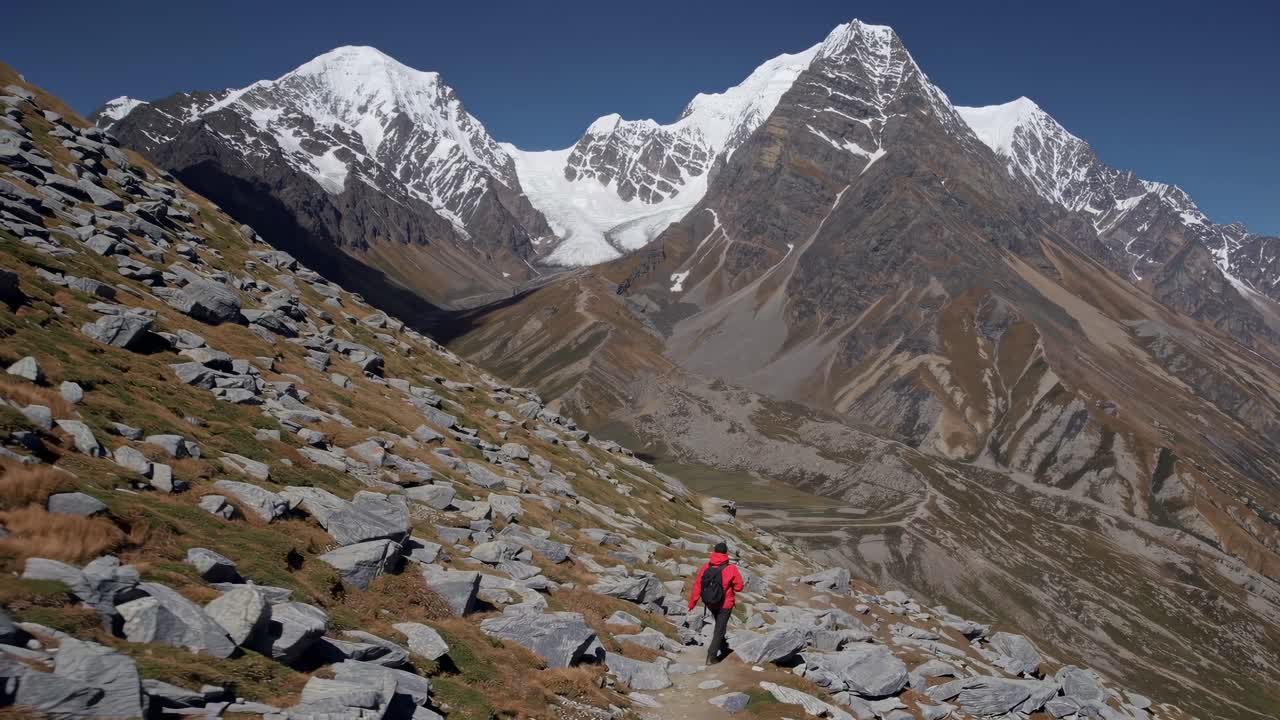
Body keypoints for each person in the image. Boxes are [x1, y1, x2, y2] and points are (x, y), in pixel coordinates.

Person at [688, 541, 744, 665]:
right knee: (720, 629)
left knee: (719, 627)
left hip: (710, 603)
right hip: (725, 604)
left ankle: (723, 647)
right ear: (725, 553)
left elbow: (698, 585)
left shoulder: (705, 567)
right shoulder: (731, 568)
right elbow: (739, 587)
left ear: (714, 552)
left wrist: (692, 602)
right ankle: (711, 657)